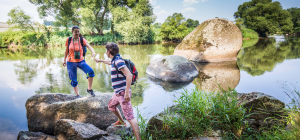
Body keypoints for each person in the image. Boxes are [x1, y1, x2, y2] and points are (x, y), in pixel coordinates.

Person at [94, 43, 141, 140]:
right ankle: (121, 121)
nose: (106, 52)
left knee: (130, 118)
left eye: (106, 51)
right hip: (118, 93)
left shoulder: (118, 61)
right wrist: (100, 60)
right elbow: (110, 62)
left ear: (109, 52)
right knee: (111, 106)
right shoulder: (115, 59)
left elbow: (129, 75)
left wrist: (127, 92)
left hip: (123, 93)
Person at [63, 26, 96, 98]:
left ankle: (89, 89)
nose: (77, 33)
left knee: (90, 72)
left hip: (80, 61)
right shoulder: (68, 40)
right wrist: (64, 60)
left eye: (78, 31)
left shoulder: (82, 40)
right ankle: (77, 95)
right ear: (72, 32)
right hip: (71, 62)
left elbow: (89, 46)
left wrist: (93, 52)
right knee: (73, 79)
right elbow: (66, 51)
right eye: (76, 32)